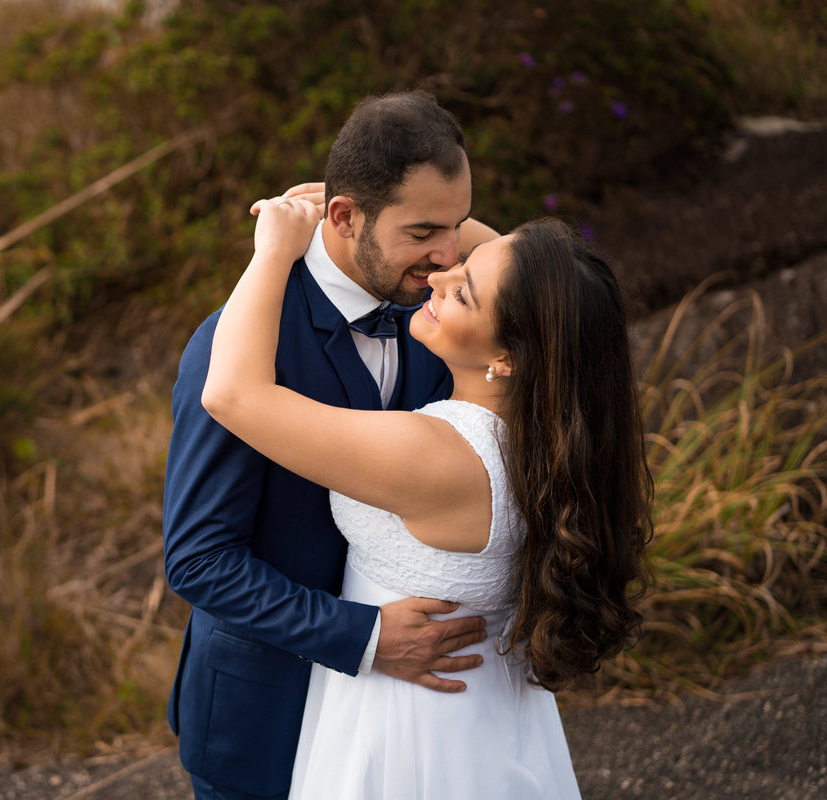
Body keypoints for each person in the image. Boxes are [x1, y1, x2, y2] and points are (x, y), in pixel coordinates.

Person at [200, 192, 653, 796]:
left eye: (463, 291)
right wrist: (365, 200)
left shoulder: (436, 456)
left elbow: (231, 396)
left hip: (407, 727)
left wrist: (274, 250)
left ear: (508, 358)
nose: (442, 272)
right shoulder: (553, 435)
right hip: (485, 711)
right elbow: (516, 268)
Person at [162, 91, 499, 800]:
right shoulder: (234, 349)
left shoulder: (440, 311)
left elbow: (528, 274)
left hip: (408, 720)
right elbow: (198, 559)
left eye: (459, 225)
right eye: (425, 231)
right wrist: (367, 638)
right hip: (266, 714)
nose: (448, 258)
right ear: (343, 217)